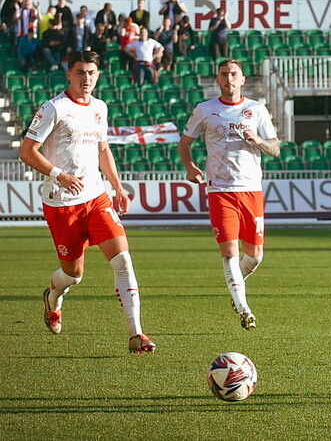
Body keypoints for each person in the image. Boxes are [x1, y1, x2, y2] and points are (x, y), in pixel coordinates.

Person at [19, 50, 156, 354]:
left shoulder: (100, 107)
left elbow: (103, 149)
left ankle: (137, 334)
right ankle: (53, 298)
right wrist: (59, 175)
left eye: (91, 73)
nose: (86, 78)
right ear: (69, 74)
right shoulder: (54, 108)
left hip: (96, 197)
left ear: (98, 75)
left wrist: (118, 188)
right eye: (80, 72)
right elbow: (27, 152)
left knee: (122, 258)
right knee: (73, 275)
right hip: (62, 204)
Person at [177, 59, 280, 330]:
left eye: (234, 74)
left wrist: (258, 141)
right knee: (229, 252)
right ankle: (243, 307)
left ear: (242, 79)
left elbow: (276, 148)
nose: (229, 79)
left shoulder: (256, 109)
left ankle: (237, 288)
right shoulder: (206, 110)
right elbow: (185, 144)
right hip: (220, 190)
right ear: (218, 79)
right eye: (224, 74)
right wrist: (190, 166)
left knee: (255, 255)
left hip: (251, 190)